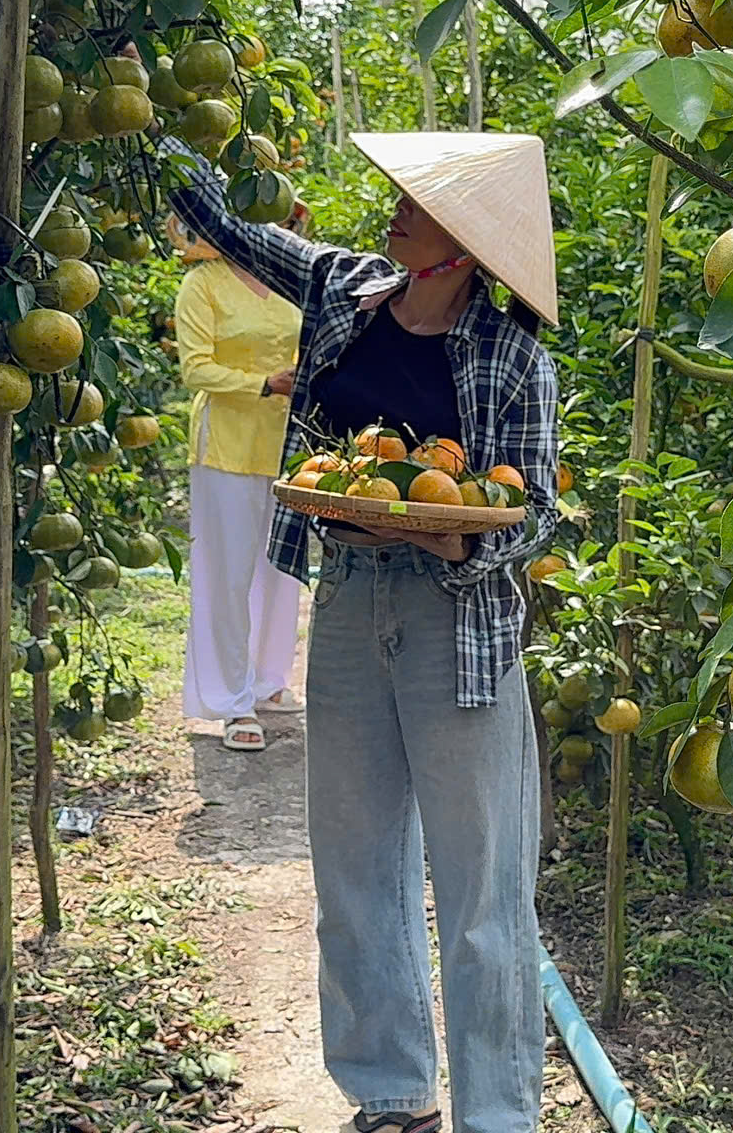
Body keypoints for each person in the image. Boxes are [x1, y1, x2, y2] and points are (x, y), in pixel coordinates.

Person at [166, 131, 559, 1133]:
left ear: (463, 245)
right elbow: (225, 226)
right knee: (354, 867)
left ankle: (497, 1117)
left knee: (482, 892)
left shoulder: (512, 357)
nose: (396, 210)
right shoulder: (344, 290)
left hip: (455, 623)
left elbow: (534, 512)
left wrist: (453, 540)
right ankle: (391, 1096)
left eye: (419, 205)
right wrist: (146, 105)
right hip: (347, 600)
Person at [170, 209, 310, 753]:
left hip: (288, 443)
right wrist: (266, 383)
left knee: (281, 568)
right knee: (228, 574)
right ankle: (231, 700)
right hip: (226, 443)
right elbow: (195, 369)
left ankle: (269, 680)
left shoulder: (290, 280)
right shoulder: (202, 283)